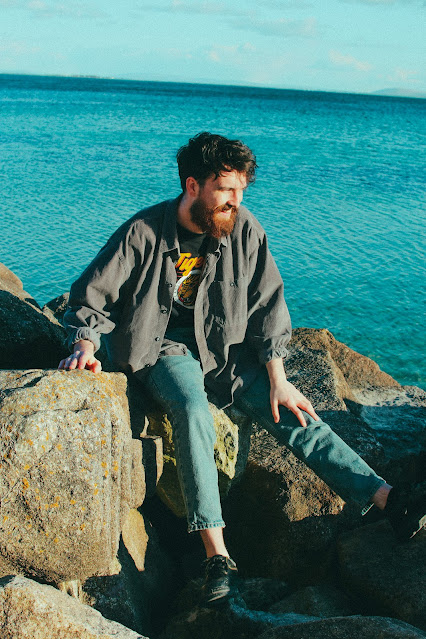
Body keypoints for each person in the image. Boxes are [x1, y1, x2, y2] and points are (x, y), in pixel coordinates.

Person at [59, 132, 425, 606]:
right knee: (191, 409)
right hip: (164, 348)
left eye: (242, 190)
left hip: (225, 350)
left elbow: (268, 306)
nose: (236, 200)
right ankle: (217, 556)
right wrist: (85, 345)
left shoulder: (244, 228)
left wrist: (278, 378)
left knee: (293, 412)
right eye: (226, 189)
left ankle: (388, 499)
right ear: (193, 185)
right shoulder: (143, 232)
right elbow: (92, 295)